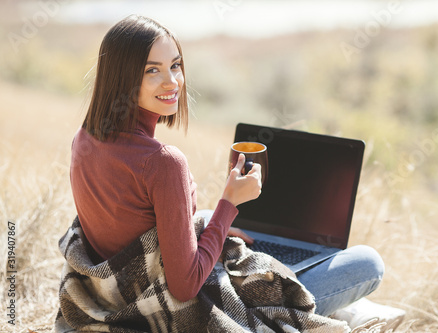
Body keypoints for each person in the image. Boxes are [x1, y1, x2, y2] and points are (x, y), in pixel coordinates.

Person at [63, 14, 404, 331]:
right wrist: (230, 203)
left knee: (210, 219)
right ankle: (325, 310)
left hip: (121, 295)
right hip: (176, 310)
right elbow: (184, 288)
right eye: (152, 70)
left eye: (176, 65)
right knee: (368, 263)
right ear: (122, 76)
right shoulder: (164, 162)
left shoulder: (86, 138)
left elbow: (135, 234)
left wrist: (218, 223)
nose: (172, 81)